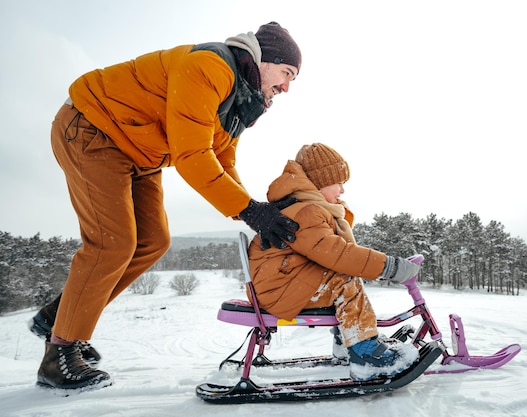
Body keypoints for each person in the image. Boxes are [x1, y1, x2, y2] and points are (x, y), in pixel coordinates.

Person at [30, 22, 302, 391]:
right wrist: (249, 210)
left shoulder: (241, 99)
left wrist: (254, 209)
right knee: (112, 243)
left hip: (140, 151)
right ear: (265, 61)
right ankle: (58, 354)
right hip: (94, 126)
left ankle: (58, 316)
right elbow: (193, 157)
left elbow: (223, 161)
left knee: (153, 241)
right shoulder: (212, 67)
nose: (286, 87)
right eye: (287, 74)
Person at [247, 143, 420, 381]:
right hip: (279, 289)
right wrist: (390, 267)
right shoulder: (306, 212)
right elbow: (337, 253)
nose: (342, 190)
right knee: (344, 280)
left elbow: (333, 252)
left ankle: (348, 342)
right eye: (338, 183)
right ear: (319, 182)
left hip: (281, 284)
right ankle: (365, 354)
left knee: (341, 277)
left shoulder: (304, 207)